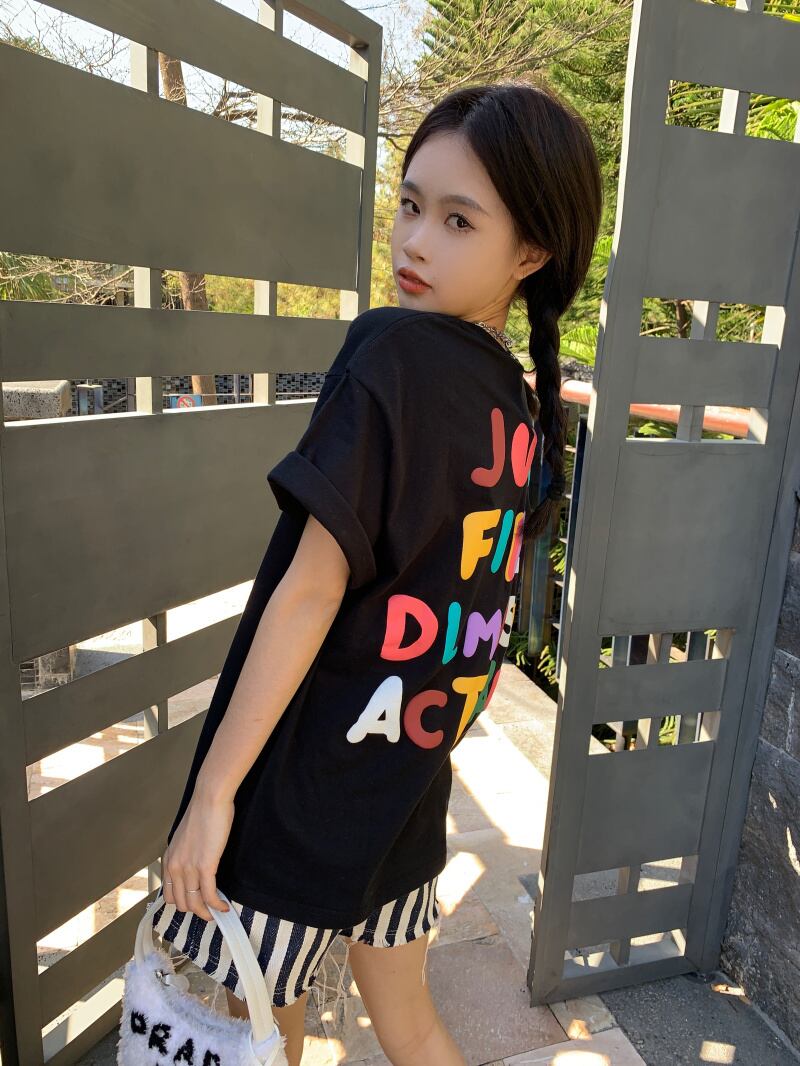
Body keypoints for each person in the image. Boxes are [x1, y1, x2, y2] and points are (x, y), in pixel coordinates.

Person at [151, 80, 602, 1065]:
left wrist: (216, 794)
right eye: (409, 205)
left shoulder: (391, 353)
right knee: (409, 1023)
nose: (414, 241)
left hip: (304, 792)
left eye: (457, 220)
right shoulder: (516, 405)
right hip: (404, 788)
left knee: (257, 1037)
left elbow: (312, 591)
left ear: (529, 253)